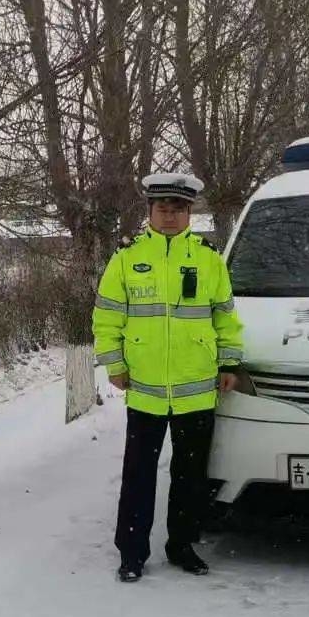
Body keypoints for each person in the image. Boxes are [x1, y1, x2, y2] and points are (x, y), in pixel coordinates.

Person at [92, 173, 244, 583]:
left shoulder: (208, 258)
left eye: (179, 209)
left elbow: (225, 316)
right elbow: (107, 317)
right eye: (163, 208)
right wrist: (115, 364)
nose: (171, 216)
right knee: (138, 475)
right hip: (145, 390)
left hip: (197, 388)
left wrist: (229, 362)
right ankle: (132, 553)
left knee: (190, 476)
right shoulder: (126, 258)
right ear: (150, 212)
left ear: (189, 213)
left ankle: (182, 545)